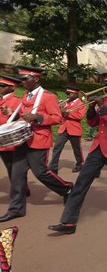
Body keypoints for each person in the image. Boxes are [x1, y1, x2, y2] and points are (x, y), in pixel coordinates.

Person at [48, 72, 107, 234]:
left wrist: (103, 107)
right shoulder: (104, 100)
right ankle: (68, 222)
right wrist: (91, 108)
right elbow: (93, 122)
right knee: (82, 182)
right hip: (98, 147)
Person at [0, 66, 73, 222]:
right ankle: (16, 209)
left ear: (36, 79)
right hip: (23, 140)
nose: (23, 82)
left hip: (39, 139)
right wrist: (14, 114)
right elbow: (24, 117)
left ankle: (67, 188)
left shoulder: (48, 96)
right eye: (22, 80)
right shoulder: (26, 96)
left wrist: (38, 117)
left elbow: (57, 118)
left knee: (41, 173)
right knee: (17, 175)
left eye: (26, 79)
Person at [48, 86, 87, 174]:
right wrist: (59, 109)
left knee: (76, 149)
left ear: (76, 94)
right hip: (63, 128)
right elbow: (60, 115)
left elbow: (80, 116)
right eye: (67, 94)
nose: (68, 95)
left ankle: (80, 163)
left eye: (70, 94)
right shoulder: (66, 103)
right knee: (57, 147)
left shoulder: (81, 103)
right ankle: (53, 167)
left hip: (74, 129)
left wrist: (67, 113)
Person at [0, 75, 24, 189]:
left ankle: (20, 189)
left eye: (2, 85)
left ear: (11, 87)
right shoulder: (1, 99)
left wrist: (11, 113)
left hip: (6, 139)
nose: (0, 87)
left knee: (11, 167)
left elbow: (20, 119)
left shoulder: (17, 101)